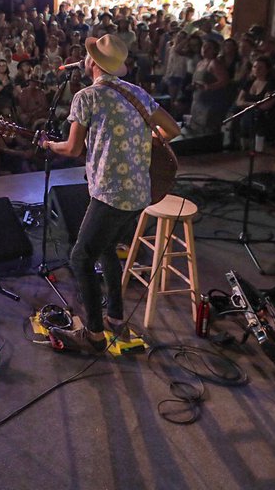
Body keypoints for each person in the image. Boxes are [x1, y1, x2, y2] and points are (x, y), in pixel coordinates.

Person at [42, 35, 180, 350]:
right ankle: (115, 317)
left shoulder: (87, 96)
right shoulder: (137, 93)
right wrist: (144, 140)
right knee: (105, 249)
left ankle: (92, 333)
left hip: (110, 193)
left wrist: (48, 144)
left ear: (91, 62)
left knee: (80, 257)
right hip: (140, 192)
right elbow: (173, 130)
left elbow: (73, 147)